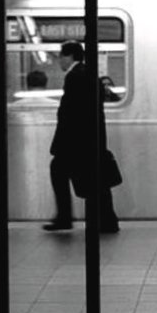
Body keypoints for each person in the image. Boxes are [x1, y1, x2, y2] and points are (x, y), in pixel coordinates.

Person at [44, 40, 120, 233]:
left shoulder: (76, 76)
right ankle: (106, 220)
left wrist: (61, 145)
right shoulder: (86, 74)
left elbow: (71, 114)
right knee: (97, 181)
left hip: (78, 142)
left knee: (59, 169)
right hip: (87, 141)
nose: (59, 61)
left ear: (69, 56)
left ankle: (65, 217)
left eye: (60, 57)